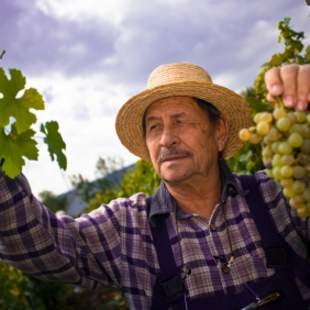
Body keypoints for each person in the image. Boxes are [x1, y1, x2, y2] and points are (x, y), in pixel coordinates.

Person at [0, 62, 309, 310]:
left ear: (219, 131)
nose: (166, 138)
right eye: (154, 127)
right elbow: (41, 246)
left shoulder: (279, 194)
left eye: (181, 121)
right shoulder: (127, 227)